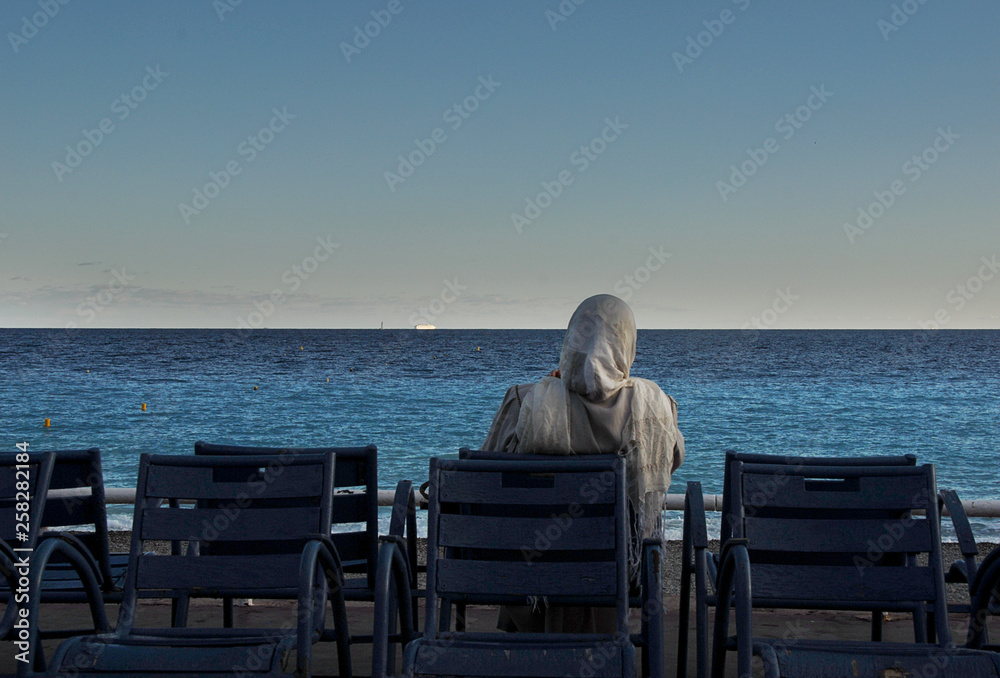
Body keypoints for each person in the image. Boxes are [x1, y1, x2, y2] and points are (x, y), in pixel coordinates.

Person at [481, 294, 685, 633]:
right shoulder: (653, 407)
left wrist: (551, 388)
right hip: (617, 570)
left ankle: (523, 650)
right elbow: (670, 461)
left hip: (532, 573)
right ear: (626, 344)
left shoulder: (526, 402)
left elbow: (484, 476)